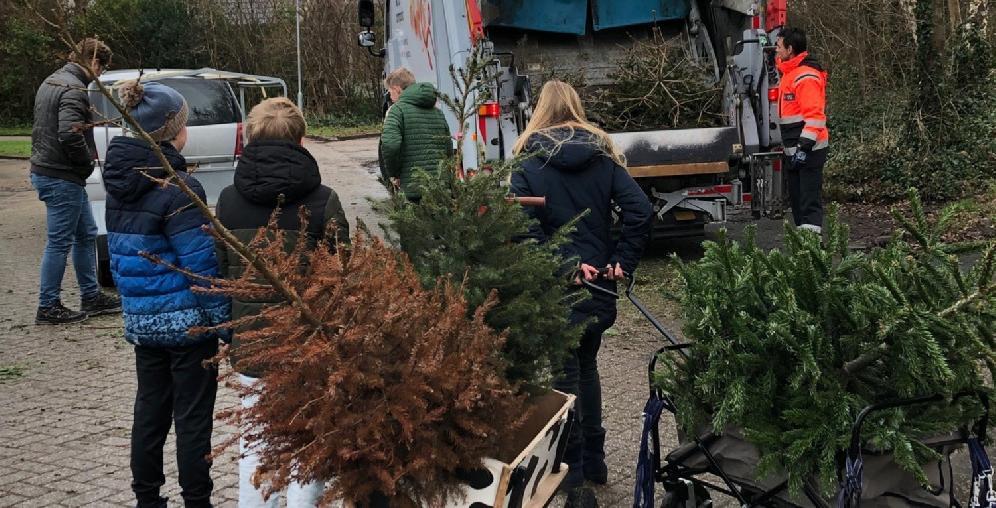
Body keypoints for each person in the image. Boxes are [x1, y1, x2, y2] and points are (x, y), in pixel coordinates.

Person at [510, 80, 652, 507]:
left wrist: (562, 267)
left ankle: (570, 477)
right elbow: (640, 211)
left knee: (563, 379)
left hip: (559, 289)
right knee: (586, 368)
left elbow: (522, 230)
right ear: (576, 107)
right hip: (598, 289)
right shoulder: (603, 156)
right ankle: (595, 460)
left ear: (539, 111)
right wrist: (621, 262)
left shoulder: (527, 160)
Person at [214, 97, 349, 507]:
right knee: (310, 437)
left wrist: (230, 332)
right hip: (308, 341)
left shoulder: (227, 200)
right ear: (301, 139)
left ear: (250, 138)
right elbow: (342, 271)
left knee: (256, 441)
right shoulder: (324, 199)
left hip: (254, 344)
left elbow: (221, 273)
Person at [102, 80, 230, 508]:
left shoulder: (119, 185)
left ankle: (147, 499)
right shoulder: (177, 188)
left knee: (149, 411)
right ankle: (197, 500)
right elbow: (202, 266)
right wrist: (224, 322)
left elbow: (122, 255)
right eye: (183, 122)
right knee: (192, 418)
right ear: (172, 130)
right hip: (187, 324)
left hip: (143, 321)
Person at [29, 37, 121, 324]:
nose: (99, 76)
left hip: (52, 170)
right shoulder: (73, 88)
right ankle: (48, 305)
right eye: (101, 70)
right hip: (61, 174)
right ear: (94, 62)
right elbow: (69, 133)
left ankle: (91, 296)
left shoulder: (53, 80)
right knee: (60, 242)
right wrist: (85, 163)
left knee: (86, 234)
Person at [775, 27, 829, 234]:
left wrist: (804, 147)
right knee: (798, 202)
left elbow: (815, 117)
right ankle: (803, 247)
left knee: (808, 202)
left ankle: (812, 250)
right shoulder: (790, 73)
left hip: (809, 150)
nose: (776, 51)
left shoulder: (805, 77)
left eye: (779, 47)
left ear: (790, 49)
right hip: (796, 150)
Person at [378, 67, 452, 202]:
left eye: (390, 92)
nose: (390, 96)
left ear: (397, 89)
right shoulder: (437, 111)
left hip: (413, 186)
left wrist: (393, 174)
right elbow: (448, 146)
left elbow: (390, 145)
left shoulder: (397, 110)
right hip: (440, 186)